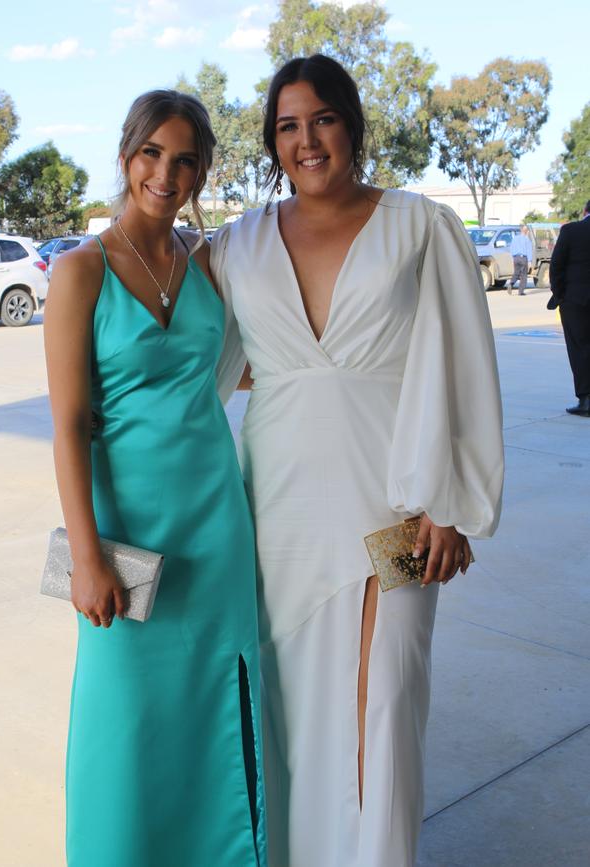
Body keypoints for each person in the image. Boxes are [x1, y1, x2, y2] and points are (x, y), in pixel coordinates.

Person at [211, 55, 504, 867]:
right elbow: (191, 360)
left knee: (385, 715)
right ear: (272, 142)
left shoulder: (420, 226)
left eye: (323, 119)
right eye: (286, 126)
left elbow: (463, 364)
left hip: (397, 514)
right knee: (288, 723)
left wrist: (451, 503)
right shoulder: (237, 243)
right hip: (277, 519)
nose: (306, 141)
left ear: (353, 124)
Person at [43, 89, 267, 867]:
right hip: (126, 534)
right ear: (126, 154)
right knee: (124, 722)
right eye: (152, 154)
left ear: (201, 172)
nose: (165, 175)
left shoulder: (207, 264)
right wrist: (87, 555)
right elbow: (69, 423)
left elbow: (242, 366)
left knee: (213, 713)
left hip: (218, 526)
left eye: (184, 161)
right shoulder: (80, 272)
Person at [548, 201, 590, 417]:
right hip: (575, 298)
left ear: (585, 211)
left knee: (579, 347)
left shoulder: (571, 231)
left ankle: (586, 399)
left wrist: (560, 294)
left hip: (576, 300)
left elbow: (556, 265)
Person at [508, 224, 533, 295]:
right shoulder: (527, 239)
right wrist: (529, 261)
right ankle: (520, 291)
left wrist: (513, 258)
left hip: (516, 258)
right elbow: (529, 250)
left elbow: (511, 249)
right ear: (526, 231)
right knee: (524, 275)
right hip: (523, 258)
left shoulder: (515, 238)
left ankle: (511, 284)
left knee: (516, 273)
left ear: (521, 230)